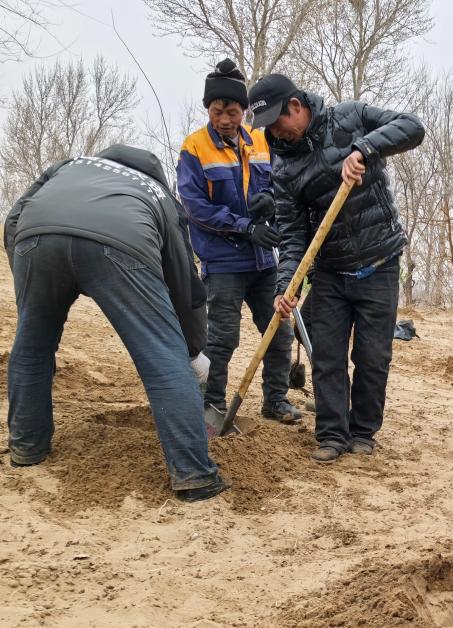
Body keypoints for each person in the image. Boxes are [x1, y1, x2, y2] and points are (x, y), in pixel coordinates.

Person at [4, 145, 228, 502]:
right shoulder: (158, 193)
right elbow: (184, 282)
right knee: (162, 357)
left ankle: (27, 449)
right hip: (120, 243)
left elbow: (14, 219)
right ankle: (195, 476)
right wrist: (190, 349)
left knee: (32, 347)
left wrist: (28, 286)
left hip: (36, 238)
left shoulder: (69, 165)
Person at [246, 74, 425, 462]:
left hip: (379, 263)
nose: (274, 133)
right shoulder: (283, 167)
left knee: (373, 358)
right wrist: (286, 285)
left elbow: (412, 127)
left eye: (277, 122)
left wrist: (363, 150)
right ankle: (331, 434)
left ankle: (362, 432)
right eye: (267, 128)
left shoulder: (350, 117)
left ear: (296, 106)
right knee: (327, 358)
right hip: (329, 271)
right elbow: (292, 234)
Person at [177, 59, 303, 425]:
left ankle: (275, 400)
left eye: (232, 112)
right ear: (208, 109)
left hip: (264, 262)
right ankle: (213, 404)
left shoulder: (262, 141)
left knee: (279, 331)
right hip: (223, 263)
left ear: (244, 111)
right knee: (222, 339)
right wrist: (246, 227)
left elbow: (283, 182)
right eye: (217, 111)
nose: (224, 120)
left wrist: (272, 201)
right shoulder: (194, 148)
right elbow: (196, 207)